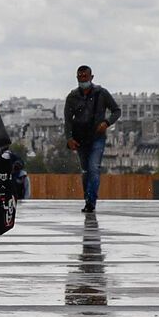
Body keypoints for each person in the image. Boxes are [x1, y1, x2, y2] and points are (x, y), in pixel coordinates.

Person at [63, 65, 121, 213]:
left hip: (97, 137)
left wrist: (107, 123)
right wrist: (69, 138)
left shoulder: (101, 93)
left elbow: (116, 110)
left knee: (94, 168)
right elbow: (68, 120)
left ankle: (91, 201)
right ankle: (88, 198)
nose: (83, 80)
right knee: (86, 171)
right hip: (80, 138)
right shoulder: (72, 97)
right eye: (80, 77)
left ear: (91, 77)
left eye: (85, 77)